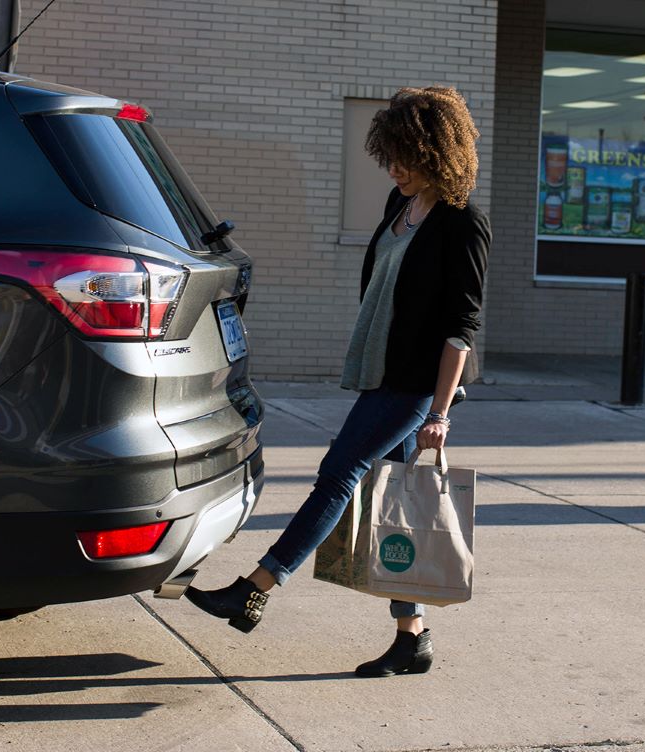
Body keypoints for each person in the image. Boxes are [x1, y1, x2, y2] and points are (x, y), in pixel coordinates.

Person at [185, 85, 490, 678]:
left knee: (340, 471)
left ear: (439, 152)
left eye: (409, 156)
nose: (397, 168)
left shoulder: (462, 223)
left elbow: (463, 325)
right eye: (392, 155)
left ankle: (255, 589)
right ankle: (412, 638)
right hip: (381, 370)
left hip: (414, 384)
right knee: (396, 500)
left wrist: (440, 411)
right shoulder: (396, 207)